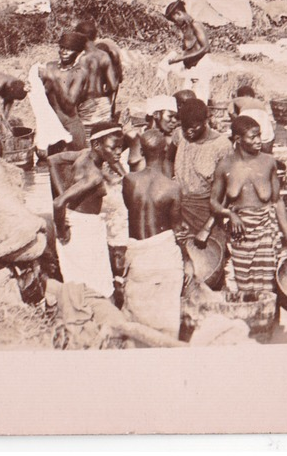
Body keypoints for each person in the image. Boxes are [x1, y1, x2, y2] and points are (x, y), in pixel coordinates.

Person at [206, 114, 287, 297]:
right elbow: (213, 203)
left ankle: (272, 323)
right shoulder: (225, 166)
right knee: (244, 288)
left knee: (269, 290)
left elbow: (277, 202)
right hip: (240, 236)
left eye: (259, 135)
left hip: (266, 230)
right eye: (253, 137)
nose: (259, 140)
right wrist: (230, 214)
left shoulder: (268, 162)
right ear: (238, 140)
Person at [117, 128, 185, 337]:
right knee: (166, 319)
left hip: (138, 255)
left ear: (142, 152)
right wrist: (188, 259)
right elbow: (176, 228)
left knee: (138, 315)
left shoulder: (129, 180)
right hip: (163, 255)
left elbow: (132, 210)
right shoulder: (172, 188)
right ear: (165, 151)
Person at [48, 124, 127, 299]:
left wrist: (63, 194)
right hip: (84, 230)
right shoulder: (94, 176)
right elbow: (58, 203)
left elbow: (53, 160)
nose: (119, 152)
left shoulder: (84, 154)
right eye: (113, 147)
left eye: (121, 146)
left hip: (76, 220)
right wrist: (61, 231)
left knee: (79, 283)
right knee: (98, 288)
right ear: (97, 145)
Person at [171, 95, 231, 240]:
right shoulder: (179, 134)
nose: (189, 132)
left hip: (206, 211)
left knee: (209, 255)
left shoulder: (221, 146)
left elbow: (227, 193)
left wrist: (207, 227)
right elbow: (167, 159)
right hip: (177, 205)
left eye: (194, 127)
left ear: (206, 121)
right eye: (185, 127)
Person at [57, 29, 115, 134]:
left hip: (85, 106)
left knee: (87, 142)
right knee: (104, 138)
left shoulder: (79, 59)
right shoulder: (104, 55)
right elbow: (113, 86)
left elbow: (76, 91)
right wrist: (102, 96)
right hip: (103, 104)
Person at [160, 0, 212, 99]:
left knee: (199, 100)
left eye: (174, 20)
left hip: (201, 67)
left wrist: (181, 58)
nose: (175, 23)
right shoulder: (186, 28)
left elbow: (206, 48)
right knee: (188, 99)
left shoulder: (196, 25)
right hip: (192, 69)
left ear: (178, 14)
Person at [127, 95, 180, 171]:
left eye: (175, 117)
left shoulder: (171, 143)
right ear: (156, 114)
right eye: (170, 116)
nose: (174, 121)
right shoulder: (133, 137)